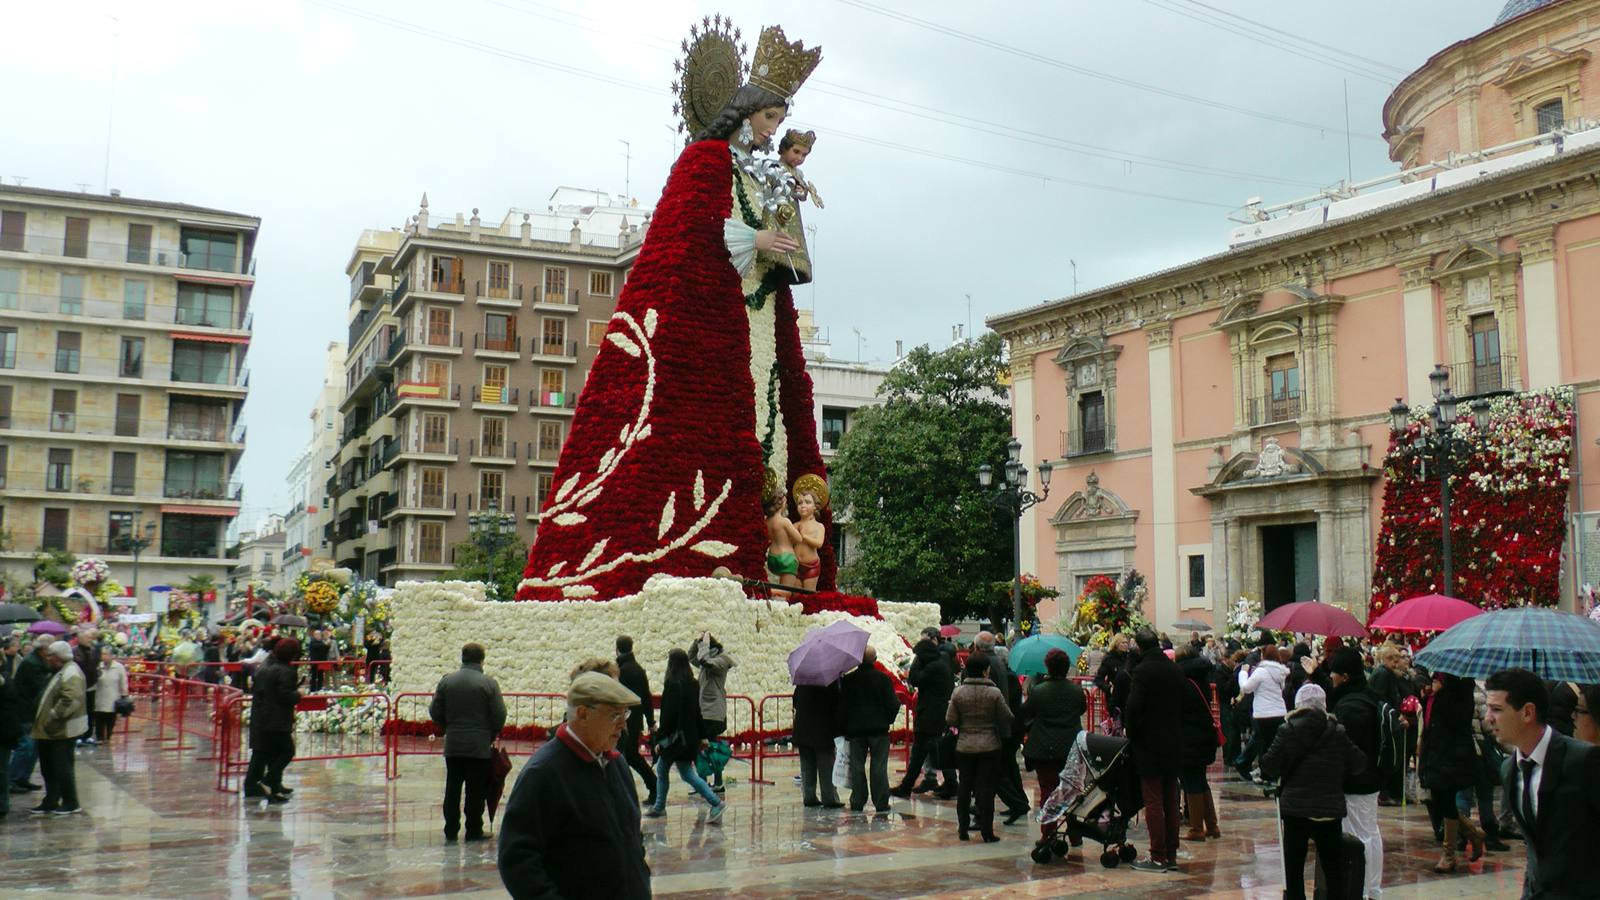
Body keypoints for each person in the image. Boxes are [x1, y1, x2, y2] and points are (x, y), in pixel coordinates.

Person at [516, 26, 833, 602]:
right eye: (767, 118)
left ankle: (783, 575)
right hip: (715, 316)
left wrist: (784, 239)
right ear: (743, 112)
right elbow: (689, 229)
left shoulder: (759, 174)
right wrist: (755, 239)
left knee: (771, 426)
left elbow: (768, 228)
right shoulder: (706, 160)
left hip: (758, 319)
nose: (770, 132)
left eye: (776, 121)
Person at [497, 671, 651, 899]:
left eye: (624, 714)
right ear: (582, 714)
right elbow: (517, 859)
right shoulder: (544, 773)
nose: (622, 725)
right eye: (614, 715)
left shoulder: (616, 763)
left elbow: (631, 836)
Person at [1483, 668, 1600, 900]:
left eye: (1496, 709)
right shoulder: (1509, 769)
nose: (1488, 717)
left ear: (1527, 712)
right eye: (1488, 708)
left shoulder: (1582, 760)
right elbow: (1535, 849)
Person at [1260, 684, 1366, 900]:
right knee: (1333, 869)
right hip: (1330, 809)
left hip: (1296, 810)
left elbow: (1269, 766)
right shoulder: (1338, 731)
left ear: (1297, 705)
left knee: (1294, 869)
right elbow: (1359, 764)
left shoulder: (1288, 729)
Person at [429, 642, 508, 842]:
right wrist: (491, 732)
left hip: (454, 744)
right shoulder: (489, 683)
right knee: (476, 788)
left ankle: (451, 828)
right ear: (482, 659)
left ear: (462, 657)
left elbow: (435, 711)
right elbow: (499, 714)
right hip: (479, 745)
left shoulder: (447, 681)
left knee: (453, 786)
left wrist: (448, 727)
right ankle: (474, 829)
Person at [1123, 629, 1186, 872]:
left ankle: (1157, 855)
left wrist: (1132, 730)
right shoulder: (1174, 669)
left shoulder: (1142, 671)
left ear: (1139, 647)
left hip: (1149, 743)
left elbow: (1134, 707)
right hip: (1173, 741)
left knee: (1153, 800)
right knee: (1171, 799)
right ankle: (1171, 854)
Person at [1327, 648, 1386, 899]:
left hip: (1356, 780)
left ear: (1345, 676)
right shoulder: (1367, 696)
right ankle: (1372, 888)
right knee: (1370, 831)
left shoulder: (1351, 706)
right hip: (1370, 776)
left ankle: (1361, 889)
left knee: (1359, 835)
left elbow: (1350, 747)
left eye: (1334, 674)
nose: (1332, 678)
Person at [644, 648, 724, 822]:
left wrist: (659, 739)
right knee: (682, 772)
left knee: (673, 771)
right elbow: (697, 712)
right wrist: (702, 736)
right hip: (688, 738)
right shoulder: (693, 684)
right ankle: (660, 806)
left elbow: (668, 716)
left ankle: (714, 802)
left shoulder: (672, 684)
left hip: (674, 739)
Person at [1418, 671, 1487, 872]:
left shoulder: (1462, 689)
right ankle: (1473, 833)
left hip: (1451, 754)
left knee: (1445, 800)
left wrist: (1441, 694)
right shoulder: (1440, 693)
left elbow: (1457, 719)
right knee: (1439, 800)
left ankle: (1448, 855)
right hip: (1436, 752)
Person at [946, 654, 1013, 843]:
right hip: (989, 746)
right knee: (987, 788)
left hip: (965, 745)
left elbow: (950, 719)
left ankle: (963, 828)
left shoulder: (958, 693)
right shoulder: (994, 693)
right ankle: (987, 831)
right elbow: (1006, 717)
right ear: (986, 670)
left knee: (965, 786)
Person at [1020, 648, 1084, 839]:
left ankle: (1048, 834)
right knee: (1072, 789)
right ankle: (1074, 833)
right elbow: (1081, 709)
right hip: (1071, 747)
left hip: (1044, 747)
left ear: (1048, 666)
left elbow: (1026, 713)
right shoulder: (1076, 691)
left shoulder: (1039, 691)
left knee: (1048, 790)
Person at [970, 631, 1029, 823]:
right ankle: (1013, 803)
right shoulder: (998, 664)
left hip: (989, 727)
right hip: (999, 726)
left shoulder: (986, 665)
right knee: (997, 770)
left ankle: (1013, 804)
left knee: (991, 773)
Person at [836, 645, 900, 814]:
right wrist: (887, 720)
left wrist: (844, 727)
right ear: (875, 660)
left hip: (856, 731)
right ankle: (881, 802)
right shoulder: (883, 679)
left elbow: (842, 706)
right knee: (879, 766)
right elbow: (893, 704)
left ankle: (857, 800)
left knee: (856, 766)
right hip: (878, 730)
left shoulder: (848, 680)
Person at [892, 636, 956, 800]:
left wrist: (916, 662)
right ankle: (950, 783)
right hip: (934, 714)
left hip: (929, 716)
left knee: (922, 752)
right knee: (933, 751)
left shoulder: (933, 667)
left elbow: (914, 678)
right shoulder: (940, 664)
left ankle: (907, 786)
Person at [29, 641, 87, 815]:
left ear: (57, 657)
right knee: (49, 767)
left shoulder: (71, 672)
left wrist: (53, 716)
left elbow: (71, 699)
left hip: (61, 730)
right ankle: (51, 800)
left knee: (62, 767)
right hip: (51, 730)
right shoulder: (62, 671)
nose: (47, 659)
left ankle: (70, 802)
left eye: (50, 656)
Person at [243, 638, 302, 803]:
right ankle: (268, 782)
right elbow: (285, 695)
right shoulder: (286, 671)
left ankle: (259, 785)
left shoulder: (265, 666)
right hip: (276, 719)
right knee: (286, 751)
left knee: (262, 752)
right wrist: (298, 694)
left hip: (261, 716)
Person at [1177, 647, 1222, 842]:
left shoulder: (1183, 680)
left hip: (1189, 737)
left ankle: (1196, 828)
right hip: (1203, 735)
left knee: (1192, 781)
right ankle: (1212, 825)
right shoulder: (1201, 676)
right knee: (1201, 781)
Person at [614, 636, 657, 807]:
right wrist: (651, 721)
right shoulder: (638, 669)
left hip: (624, 720)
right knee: (628, 756)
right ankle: (650, 786)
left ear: (617, 649)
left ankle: (652, 785)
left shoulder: (620, 670)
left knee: (628, 756)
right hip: (635, 720)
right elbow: (646, 697)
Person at [689, 631, 734, 792]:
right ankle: (709, 783)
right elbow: (692, 657)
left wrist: (704, 644)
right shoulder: (709, 659)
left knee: (709, 747)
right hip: (705, 710)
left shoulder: (722, 661)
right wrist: (697, 641)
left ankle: (713, 782)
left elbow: (703, 659)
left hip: (713, 711)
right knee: (705, 747)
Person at [1238, 644, 1290, 782]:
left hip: (1263, 713)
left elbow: (1246, 688)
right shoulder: (1281, 672)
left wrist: (1243, 673)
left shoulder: (1261, 671)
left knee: (1264, 744)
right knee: (1273, 745)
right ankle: (1270, 773)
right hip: (1279, 711)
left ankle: (1264, 772)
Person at [8, 635, 51, 792]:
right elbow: (41, 687)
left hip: (31, 710)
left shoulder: (38, 661)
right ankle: (13, 779)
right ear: (43, 649)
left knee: (33, 748)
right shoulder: (33, 663)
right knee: (26, 746)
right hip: (25, 711)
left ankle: (22, 778)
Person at [792, 678, 843, 808]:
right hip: (823, 729)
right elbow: (835, 703)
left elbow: (795, 702)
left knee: (807, 766)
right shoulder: (829, 681)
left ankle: (809, 797)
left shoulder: (802, 682)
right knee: (826, 766)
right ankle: (830, 798)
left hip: (803, 728)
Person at [0, 634, 23, 819]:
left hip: (3, 732)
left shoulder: (5, 681)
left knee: (1, 769)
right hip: (6, 731)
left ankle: (2, 805)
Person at [763, 492, 802, 591]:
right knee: (786, 591)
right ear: (782, 504)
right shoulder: (784, 521)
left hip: (772, 557)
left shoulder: (766, 521)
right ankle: (768, 592)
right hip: (787, 557)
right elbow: (799, 538)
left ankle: (769, 591)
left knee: (780, 588)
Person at [793, 485, 827, 592]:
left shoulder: (819, 526)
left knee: (809, 594)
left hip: (811, 566)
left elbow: (819, 543)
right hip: (795, 565)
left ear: (815, 507)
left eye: (807, 502)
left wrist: (804, 537)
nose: (803, 505)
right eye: (800, 503)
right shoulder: (794, 525)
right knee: (795, 595)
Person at [72, 626, 101, 745]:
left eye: (90, 638)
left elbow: (95, 665)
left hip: (91, 685)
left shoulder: (93, 651)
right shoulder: (74, 651)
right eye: (87, 638)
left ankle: (88, 734)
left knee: (90, 711)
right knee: (79, 711)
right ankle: (78, 735)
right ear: (79, 639)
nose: (89, 640)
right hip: (79, 686)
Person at [92, 654, 128, 743]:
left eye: (106, 654)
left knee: (111, 718)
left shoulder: (119, 667)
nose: (104, 657)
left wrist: (124, 694)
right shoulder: (98, 666)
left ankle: (108, 736)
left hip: (113, 697)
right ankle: (99, 737)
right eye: (103, 654)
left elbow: (123, 681)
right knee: (99, 717)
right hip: (99, 696)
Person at [307, 627, 331, 693]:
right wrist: (325, 643)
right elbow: (318, 646)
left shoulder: (321, 641)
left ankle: (319, 688)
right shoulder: (313, 641)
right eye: (317, 635)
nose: (319, 636)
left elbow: (326, 648)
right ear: (314, 635)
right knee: (314, 676)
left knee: (320, 676)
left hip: (322, 661)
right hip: (314, 661)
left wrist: (327, 642)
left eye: (319, 635)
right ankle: (313, 689)